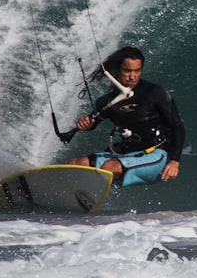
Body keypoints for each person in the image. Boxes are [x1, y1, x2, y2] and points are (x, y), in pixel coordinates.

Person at [67, 46, 185, 185]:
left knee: (109, 167)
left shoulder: (154, 93)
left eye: (137, 71)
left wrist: (175, 161)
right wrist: (86, 124)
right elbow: (93, 122)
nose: (132, 76)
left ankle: (87, 197)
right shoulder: (107, 101)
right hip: (126, 153)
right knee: (76, 164)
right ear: (118, 70)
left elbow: (177, 126)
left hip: (156, 155)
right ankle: (69, 196)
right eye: (127, 70)